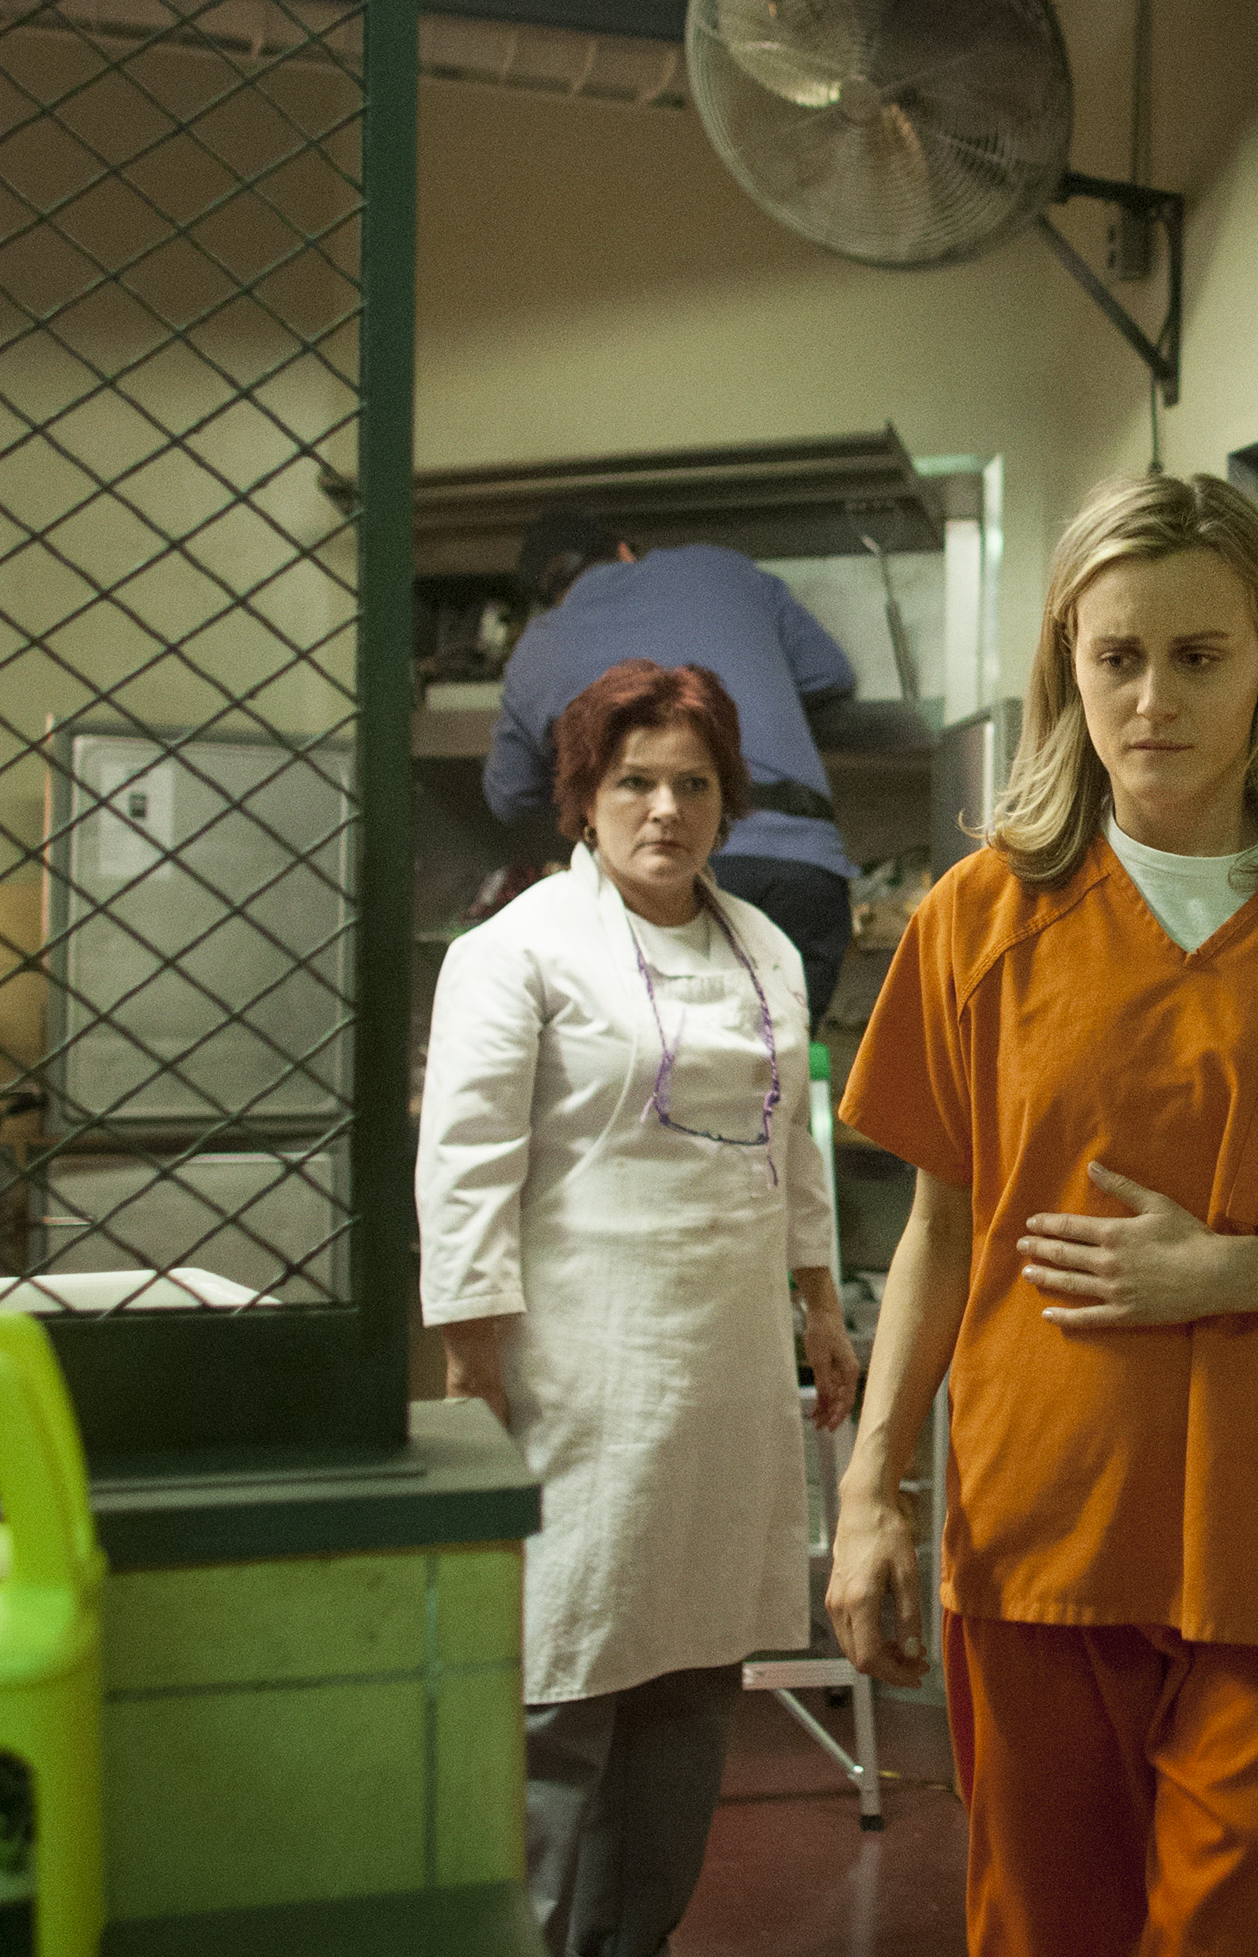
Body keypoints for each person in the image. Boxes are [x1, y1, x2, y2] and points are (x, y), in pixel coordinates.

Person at [823, 473, 1258, 1954]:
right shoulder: (979, 915)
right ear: (1067, 665)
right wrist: (868, 1489)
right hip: (1044, 1533)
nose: (1155, 698)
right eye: (1118, 657)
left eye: (1200, 656)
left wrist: (1225, 1269)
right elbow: (938, 1234)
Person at [420, 659, 862, 1957]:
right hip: (575, 1371)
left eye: (692, 782)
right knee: (567, 1678)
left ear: (726, 799)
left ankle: (638, 1935)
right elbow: (465, 1160)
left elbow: (796, 1147)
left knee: (691, 1677)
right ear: (584, 796)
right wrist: (470, 1359)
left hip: (723, 1374)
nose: (665, 808)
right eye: (635, 782)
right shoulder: (518, 950)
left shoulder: (766, 947)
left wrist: (820, 1304)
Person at [487, 509, 861, 1027]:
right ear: (622, 550)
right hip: (802, 865)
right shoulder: (722, 568)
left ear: (546, 594)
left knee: (673, 1082)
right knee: (773, 1074)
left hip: (667, 882)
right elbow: (831, 675)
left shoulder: (538, 646)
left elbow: (509, 796)